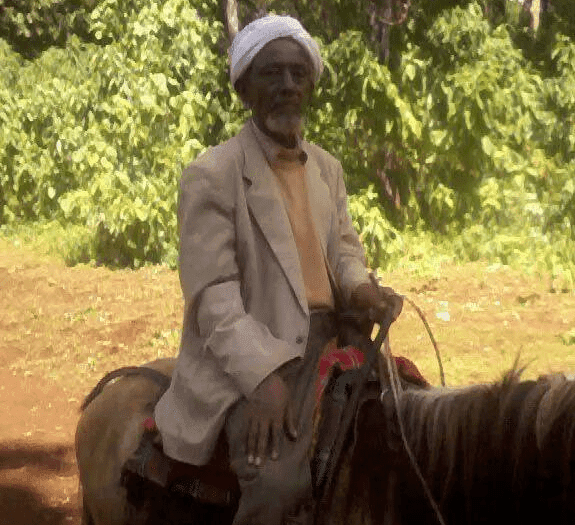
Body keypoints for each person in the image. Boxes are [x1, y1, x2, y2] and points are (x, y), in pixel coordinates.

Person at [153, 14, 402, 525]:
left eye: (297, 73)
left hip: (334, 339)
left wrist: (361, 291)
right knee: (279, 483)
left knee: (405, 431)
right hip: (252, 351)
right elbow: (214, 301)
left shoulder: (327, 168)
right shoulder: (212, 174)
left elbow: (344, 253)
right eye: (272, 73)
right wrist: (262, 379)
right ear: (243, 88)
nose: (288, 85)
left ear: (309, 85)